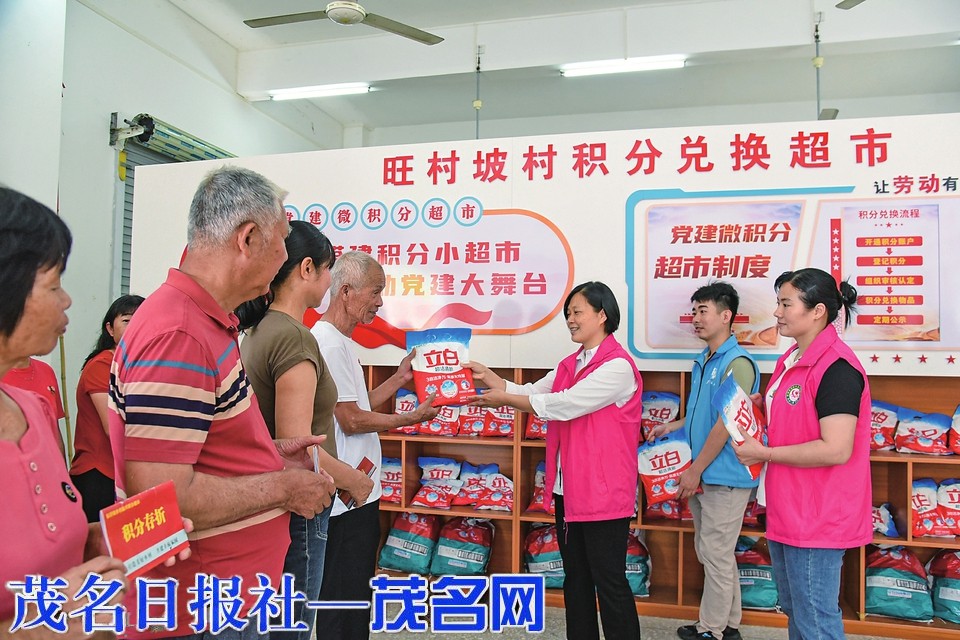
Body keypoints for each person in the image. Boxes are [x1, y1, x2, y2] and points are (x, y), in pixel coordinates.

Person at [109, 166, 335, 639]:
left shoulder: (204, 323)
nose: (284, 257)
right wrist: (282, 487)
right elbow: (162, 500)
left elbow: (201, 450)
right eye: (282, 241)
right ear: (247, 239)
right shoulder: (180, 335)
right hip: (202, 605)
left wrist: (270, 455)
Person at [0, 186, 189, 640]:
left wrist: (102, 540)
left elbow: (40, 540)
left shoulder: (32, 409)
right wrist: (41, 626)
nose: (67, 301)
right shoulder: (99, 368)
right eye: (54, 286)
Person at [467, 281, 643, 640]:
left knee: (609, 581)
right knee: (575, 579)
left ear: (602, 315)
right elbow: (533, 392)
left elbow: (565, 404)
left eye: (577, 312)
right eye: (568, 314)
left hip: (604, 493)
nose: (570, 320)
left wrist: (504, 398)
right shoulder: (570, 364)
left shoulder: (618, 367)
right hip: (569, 491)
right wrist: (495, 381)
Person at [236, 222, 374, 640]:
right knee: (291, 626)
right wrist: (354, 480)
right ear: (307, 269)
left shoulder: (261, 329)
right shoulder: (295, 338)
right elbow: (298, 447)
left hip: (269, 500)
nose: (331, 281)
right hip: (299, 505)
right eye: (329, 269)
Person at [734, 268, 872, 640]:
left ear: (817, 311)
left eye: (786, 304)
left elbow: (836, 448)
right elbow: (798, 419)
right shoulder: (793, 359)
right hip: (789, 506)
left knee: (815, 618)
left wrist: (765, 452)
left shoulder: (837, 368)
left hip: (819, 514)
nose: (776, 313)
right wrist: (760, 406)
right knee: (796, 609)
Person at [311, 250, 439, 640]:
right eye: (375, 291)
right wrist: (410, 419)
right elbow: (351, 420)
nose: (380, 302)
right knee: (343, 597)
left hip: (358, 493)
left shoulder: (340, 342)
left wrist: (399, 380)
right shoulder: (329, 344)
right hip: (345, 497)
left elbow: (356, 405)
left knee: (354, 594)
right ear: (346, 292)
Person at [648, 282, 758, 640]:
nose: (695, 318)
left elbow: (725, 425)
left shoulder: (737, 363)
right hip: (705, 474)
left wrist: (694, 471)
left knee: (715, 554)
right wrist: (673, 425)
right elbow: (701, 414)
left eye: (703, 311)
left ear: (726, 316)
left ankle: (712, 630)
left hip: (724, 475)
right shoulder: (705, 360)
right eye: (694, 311)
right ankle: (729, 625)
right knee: (714, 553)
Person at [70, 294, 144, 522]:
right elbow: (112, 428)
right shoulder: (102, 365)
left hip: (127, 475)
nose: (134, 326)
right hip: (99, 474)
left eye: (141, 320)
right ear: (110, 329)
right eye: (127, 320)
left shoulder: (138, 365)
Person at [0, 355, 66, 460]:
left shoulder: (46, 370)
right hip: (13, 463)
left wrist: (61, 467)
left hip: (47, 463)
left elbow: (54, 430)